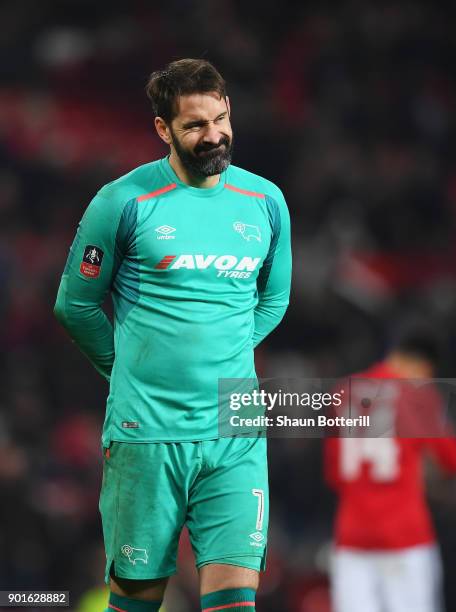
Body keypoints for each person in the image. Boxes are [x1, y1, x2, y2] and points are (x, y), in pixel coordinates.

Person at [54, 58, 291, 612]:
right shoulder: (123, 201)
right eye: (194, 125)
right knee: (137, 598)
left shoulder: (265, 202)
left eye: (220, 119)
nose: (214, 136)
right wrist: (128, 369)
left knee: (236, 599)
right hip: (146, 433)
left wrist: (225, 350)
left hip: (235, 431)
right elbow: (75, 305)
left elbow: (274, 297)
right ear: (163, 129)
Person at [324, 329, 456, 612]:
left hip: (353, 535)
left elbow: (334, 474)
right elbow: (453, 460)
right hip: (405, 535)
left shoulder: (343, 390)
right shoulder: (416, 394)